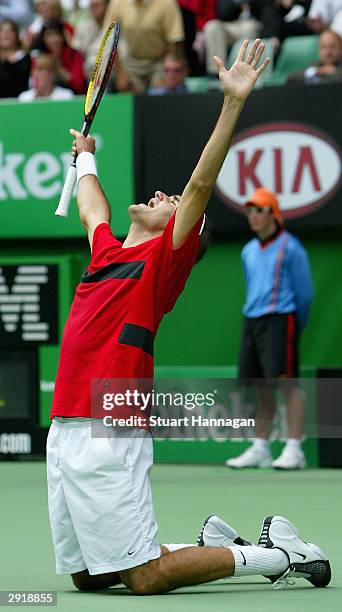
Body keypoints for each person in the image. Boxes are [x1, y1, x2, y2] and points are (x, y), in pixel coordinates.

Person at [47, 40, 329, 594]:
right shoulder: (108, 252)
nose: (162, 194)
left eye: (170, 202)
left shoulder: (161, 262)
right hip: (65, 428)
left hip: (110, 427)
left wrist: (231, 105)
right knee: (87, 577)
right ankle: (219, 547)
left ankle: (275, 556)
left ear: (181, 234)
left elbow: (200, 184)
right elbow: (92, 208)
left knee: (144, 577)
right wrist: (87, 157)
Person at [226, 188, 313, 471]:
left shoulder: (291, 247)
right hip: (252, 321)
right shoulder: (248, 251)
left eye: (260, 210)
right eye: (250, 211)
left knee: (288, 386)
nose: (253, 216)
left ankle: (294, 448)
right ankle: (261, 447)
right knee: (261, 387)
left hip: (281, 319)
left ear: (273, 214)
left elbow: (305, 295)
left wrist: (293, 326)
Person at [104, 0, 185, 92]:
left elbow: (175, 40)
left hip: (159, 62)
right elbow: (110, 41)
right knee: (126, 90)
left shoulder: (167, 3)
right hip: (131, 62)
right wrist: (120, 73)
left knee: (160, 94)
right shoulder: (117, 3)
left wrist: (166, 71)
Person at [32, 19, 86, 93]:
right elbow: (35, 85)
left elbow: (79, 86)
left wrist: (59, 68)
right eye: (49, 35)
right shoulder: (37, 56)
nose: (55, 40)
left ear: (63, 36)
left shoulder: (74, 55)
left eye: (57, 34)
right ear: (43, 38)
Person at [72, 0, 109, 78]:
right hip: (86, 72)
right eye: (92, 5)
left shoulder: (114, 26)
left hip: (108, 71)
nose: (94, 8)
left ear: (106, 6)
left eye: (97, 5)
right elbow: (75, 54)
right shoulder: (82, 27)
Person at [0, 19, 30, 98]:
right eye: (1, 30)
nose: (6, 34)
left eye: (11, 30)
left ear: (17, 35)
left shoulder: (26, 58)